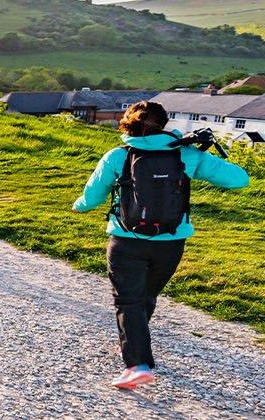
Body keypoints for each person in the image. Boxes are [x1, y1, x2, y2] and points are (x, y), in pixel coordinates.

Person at [72, 101, 250, 390]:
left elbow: (92, 196)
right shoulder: (186, 155)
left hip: (126, 240)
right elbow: (240, 180)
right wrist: (196, 151)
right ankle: (133, 347)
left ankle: (138, 365)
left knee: (129, 300)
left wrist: (79, 206)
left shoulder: (118, 155)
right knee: (145, 295)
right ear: (165, 124)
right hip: (171, 243)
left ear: (127, 124)